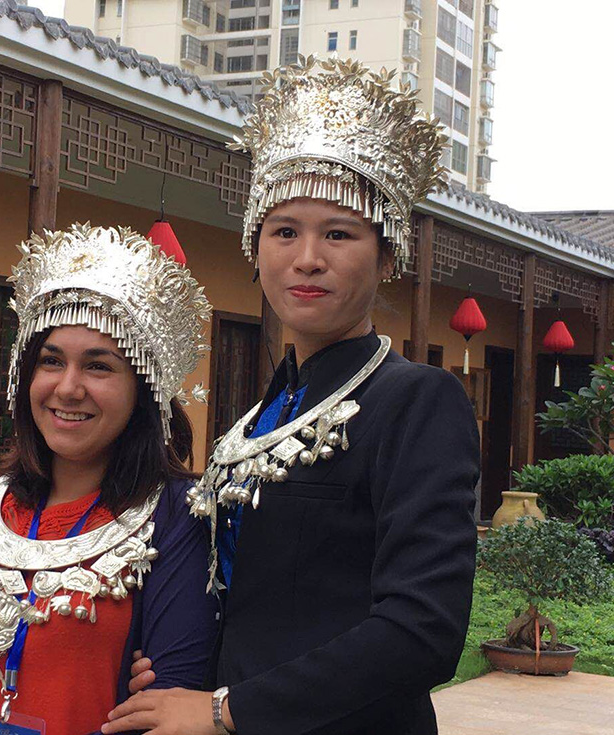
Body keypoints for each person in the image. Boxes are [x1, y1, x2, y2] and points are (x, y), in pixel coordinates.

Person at [103, 56, 480, 735]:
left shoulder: (417, 401)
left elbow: (423, 628)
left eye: (338, 232)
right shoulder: (252, 422)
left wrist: (227, 710)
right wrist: (175, 670)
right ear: (256, 250)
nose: (308, 257)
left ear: (386, 256)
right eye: (284, 231)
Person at [0, 223, 218, 735]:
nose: (68, 388)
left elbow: (168, 705)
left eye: (98, 367)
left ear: (144, 389)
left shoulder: (176, 518)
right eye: (51, 361)